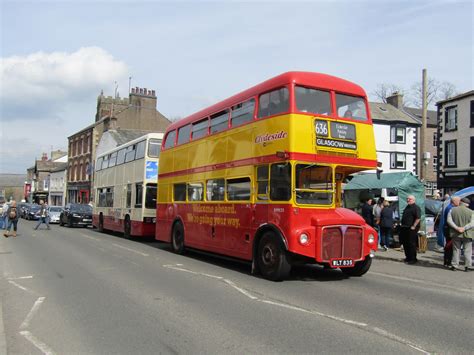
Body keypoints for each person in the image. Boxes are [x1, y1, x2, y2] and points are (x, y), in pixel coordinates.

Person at [447, 197, 473, 271]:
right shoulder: (471, 212)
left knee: (456, 249)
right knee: (467, 250)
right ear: (467, 205)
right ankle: (467, 266)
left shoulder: (452, 210)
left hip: (455, 233)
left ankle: (455, 265)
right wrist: (464, 228)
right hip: (467, 234)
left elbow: (449, 221)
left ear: (460, 202)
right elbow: (472, 223)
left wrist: (457, 228)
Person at [400, 195, 421, 264]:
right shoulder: (407, 207)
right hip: (405, 227)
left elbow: (418, 218)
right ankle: (408, 257)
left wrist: (414, 226)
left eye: (410, 199)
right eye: (407, 199)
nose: (408, 200)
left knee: (411, 243)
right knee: (405, 243)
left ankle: (413, 259)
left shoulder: (416, 208)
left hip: (411, 228)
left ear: (413, 200)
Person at [442, 196, 458, 267]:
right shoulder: (450, 208)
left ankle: (447, 261)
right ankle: (448, 261)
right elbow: (451, 220)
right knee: (450, 245)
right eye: (458, 201)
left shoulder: (449, 207)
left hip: (447, 228)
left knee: (449, 245)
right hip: (449, 229)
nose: (459, 202)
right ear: (454, 201)